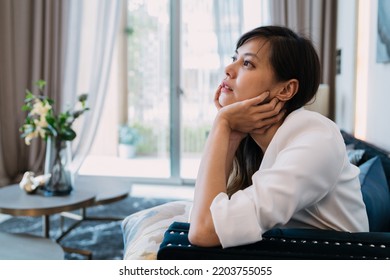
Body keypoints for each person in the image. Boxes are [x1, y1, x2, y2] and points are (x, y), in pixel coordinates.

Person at [188, 25, 369, 248]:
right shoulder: (255, 143)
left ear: (285, 90)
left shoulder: (317, 140)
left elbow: (204, 231)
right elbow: (203, 215)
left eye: (247, 63)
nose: (228, 68)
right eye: (234, 58)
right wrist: (231, 135)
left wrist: (221, 124)